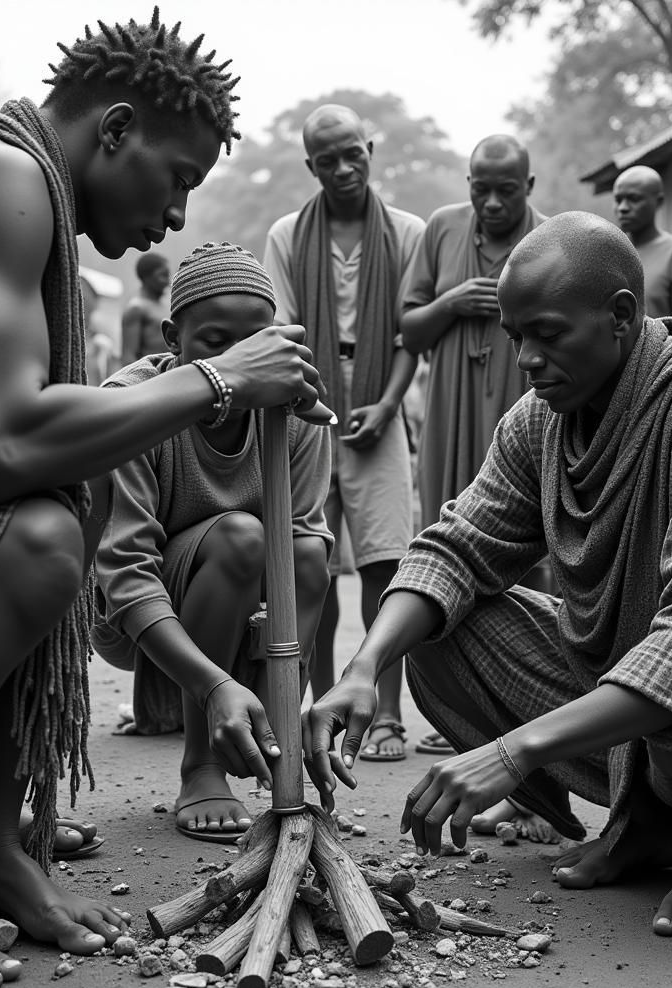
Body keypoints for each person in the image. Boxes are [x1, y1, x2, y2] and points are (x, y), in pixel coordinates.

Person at [0, 10, 326, 988]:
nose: (177, 214)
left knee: (82, 469)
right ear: (115, 129)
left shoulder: (29, 200)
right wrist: (220, 380)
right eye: (177, 176)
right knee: (45, 528)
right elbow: (7, 446)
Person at [304, 211, 672, 942]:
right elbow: (456, 546)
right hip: (636, 708)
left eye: (549, 334)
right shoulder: (542, 419)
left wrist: (511, 752)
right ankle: (654, 820)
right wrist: (365, 665)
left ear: (622, 316)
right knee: (434, 625)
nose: (526, 359)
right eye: (516, 336)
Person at [93, 242, 333, 842]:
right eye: (215, 342)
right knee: (242, 537)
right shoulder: (134, 403)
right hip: (137, 617)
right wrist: (214, 686)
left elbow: (304, 549)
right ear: (174, 337)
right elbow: (123, 570)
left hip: (248, 599)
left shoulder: (293, 408)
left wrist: (279, 703)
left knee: (306, 551)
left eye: (257, 341)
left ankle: (266, 736)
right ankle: (200, 762)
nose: (241, 360)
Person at [399, 135, 556, 819]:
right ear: (467, 183)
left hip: (527, 417)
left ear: (530, 184)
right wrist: (453, 302)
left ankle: (531, 775)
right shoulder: (439, 231)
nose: (492, 203)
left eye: (508, 190)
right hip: (452, 419)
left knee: (533, 574)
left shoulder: (554, 243)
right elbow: (408, 330)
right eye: (480, 189)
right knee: (449, 559)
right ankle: (481, 743)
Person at [263, 104, 424, 763]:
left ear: (371, 149)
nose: (342, 167)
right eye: (326, 160)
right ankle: (325, 706)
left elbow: (409, 332)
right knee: (314, 563)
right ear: (311, 167)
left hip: (383, 405)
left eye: (352, 153)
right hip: (309, 410)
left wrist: (387, 406)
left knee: (387, 562)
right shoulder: (285, 236)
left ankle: (385, 715)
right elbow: (282, 327)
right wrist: (313, 401)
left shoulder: (407, 232)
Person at [612, 164, 672, 325]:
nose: (623, 208)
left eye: (633, 199)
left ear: (659, 202)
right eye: (618, 200)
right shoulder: (610, 252)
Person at [121, 250, 174, 365]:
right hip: (150, 377)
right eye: (162, 275)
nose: (168, 281)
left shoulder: (169, 301)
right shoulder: (136, 309)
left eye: (168, 275)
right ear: (146, 277)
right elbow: (128, 356)